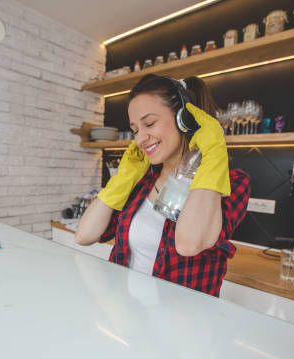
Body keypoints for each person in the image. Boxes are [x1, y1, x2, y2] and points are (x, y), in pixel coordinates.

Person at [75, 74, 250, 297]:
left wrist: (213, 151)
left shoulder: (232, 183)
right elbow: (85, 236)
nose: (140, 140)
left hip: (181, 324)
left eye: (149, 123)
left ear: (183, 119)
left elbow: (188, 244)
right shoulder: (141, 180)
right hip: (125, 316)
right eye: (136, 130)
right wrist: (123, 178)